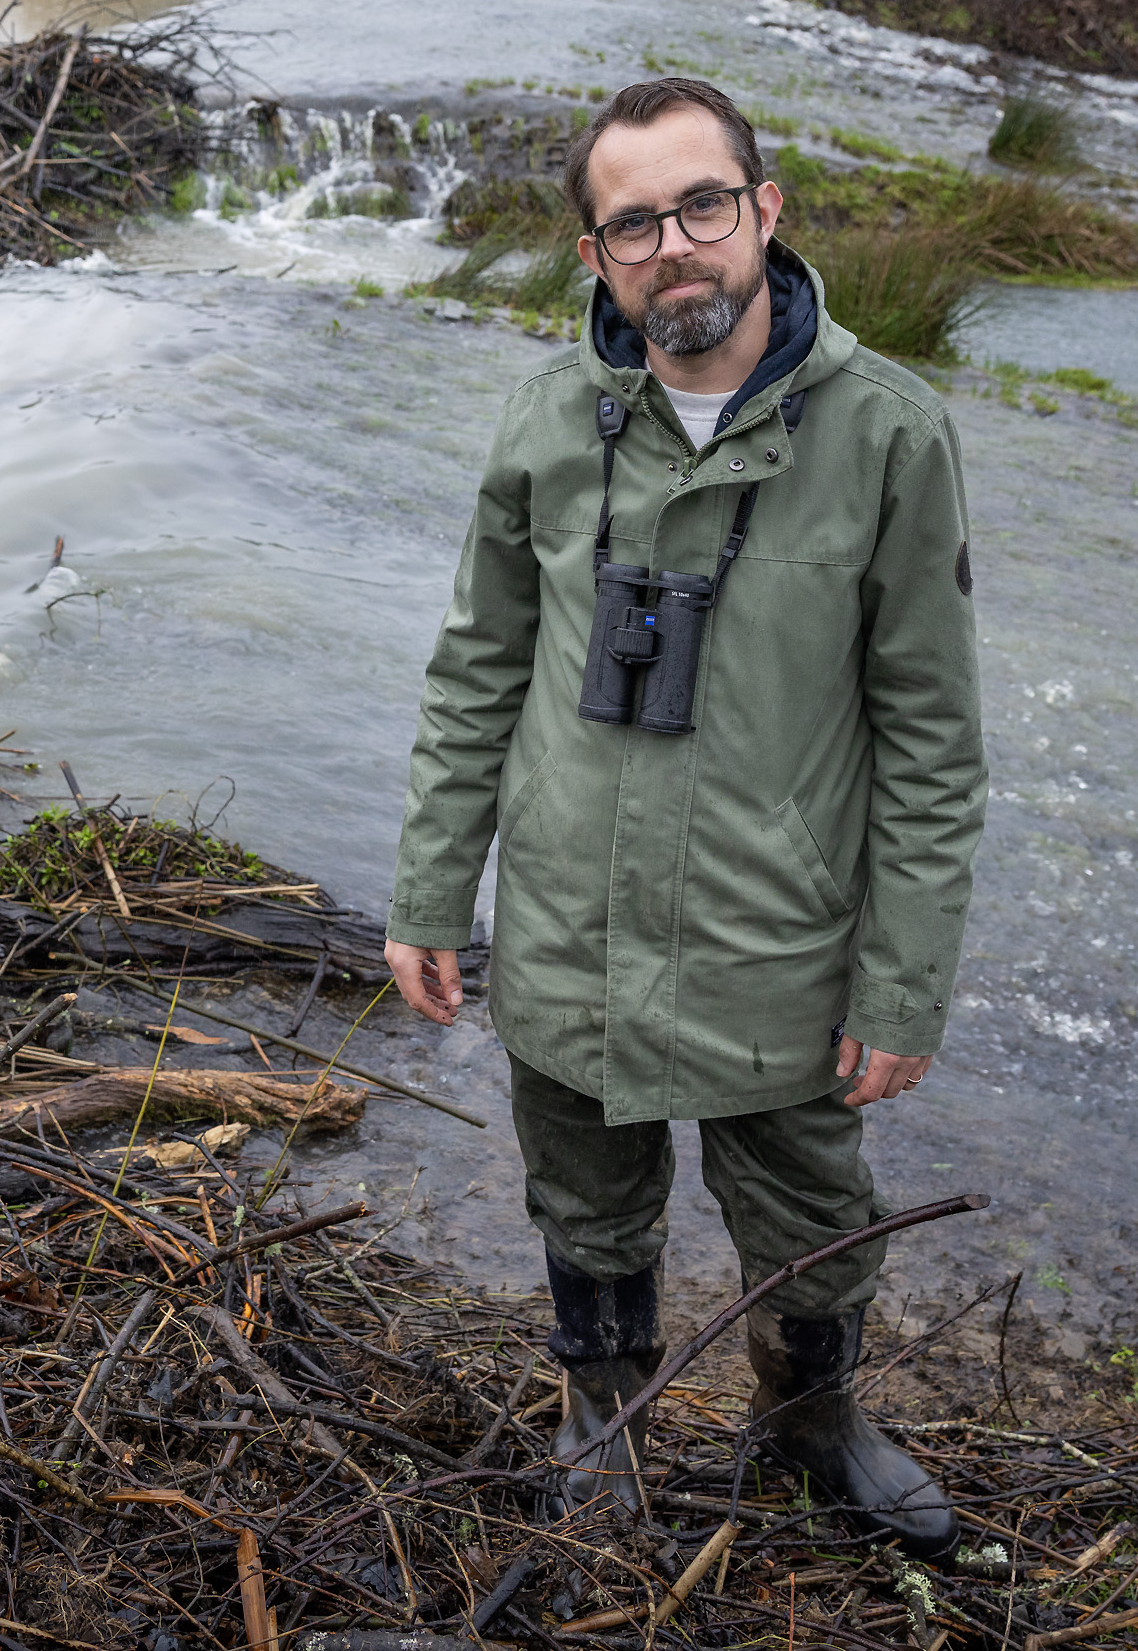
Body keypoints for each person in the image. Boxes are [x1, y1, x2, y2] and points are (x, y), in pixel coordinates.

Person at [379, 77, 985, 1561]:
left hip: (777, 944)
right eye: (633, 223)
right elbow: (477, 672)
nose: (675, 247)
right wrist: (429, 888)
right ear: (595, 256)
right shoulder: (544, 421)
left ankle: (813, 1426)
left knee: (816, 1218)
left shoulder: (893, 436)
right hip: (571, 928)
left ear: (764, 212)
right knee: (586, 1209)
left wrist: (901, 981)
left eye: (702, 206)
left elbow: (930, 738)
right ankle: (603, 1419)